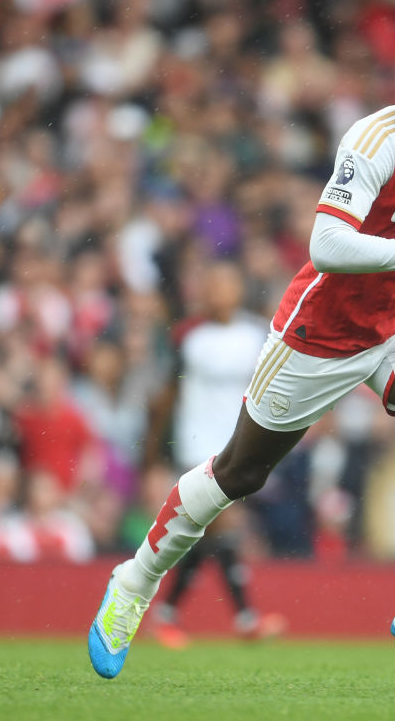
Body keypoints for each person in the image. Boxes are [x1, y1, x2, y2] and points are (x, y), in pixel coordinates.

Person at [88, 19, 395, 679]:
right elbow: (327, 247)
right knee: (239, 473)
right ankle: (133, 584)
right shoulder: (376, 141)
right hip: (322, 332)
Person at [142, 259, 285, 647]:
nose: (219, 292)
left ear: (239, 290)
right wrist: (152, 460)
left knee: (202, 534)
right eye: (213, 285)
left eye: (227, 284)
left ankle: (167, 614)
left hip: (236, 447)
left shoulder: (257, 335)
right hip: (194, 447)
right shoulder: (188, 336)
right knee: (224, 525)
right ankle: (244, 618)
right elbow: (166, 399)